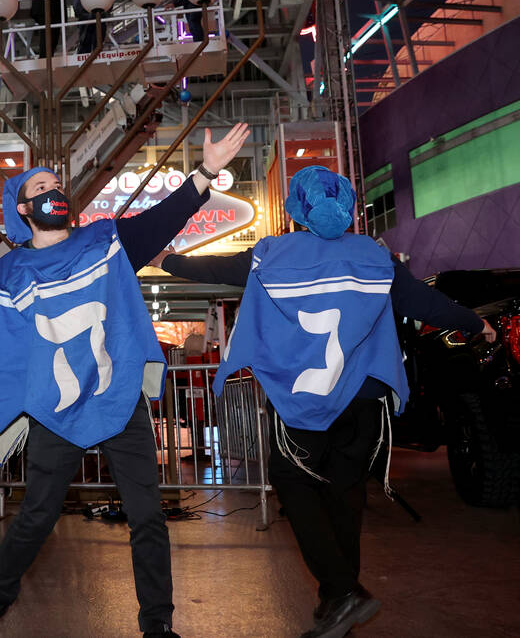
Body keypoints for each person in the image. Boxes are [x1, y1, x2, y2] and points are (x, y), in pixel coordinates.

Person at [0, 124, 251, 638]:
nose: (52, 192)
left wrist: (205, 171)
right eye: (39, 189)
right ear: (22, 210)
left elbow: (163, 220)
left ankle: (157, 625)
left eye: (55, 185)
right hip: (57, 410)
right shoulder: (11, 272)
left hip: (118, 399)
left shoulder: (107, 240)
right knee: (37, 515)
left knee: (147, 517)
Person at [150, 166, 495, 638]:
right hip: (363, 397)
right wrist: (477, 323)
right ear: (350, 208)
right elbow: (426, 304)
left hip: (302, 400)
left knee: (293, 480)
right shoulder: (375, 257)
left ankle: (341, 592)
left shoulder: (270, 253)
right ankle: (338, 599)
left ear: (295, 208)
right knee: (345, 494)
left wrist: (169, 259)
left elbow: (214, 268)